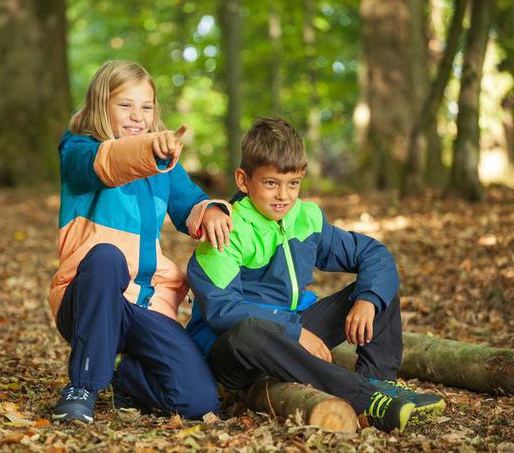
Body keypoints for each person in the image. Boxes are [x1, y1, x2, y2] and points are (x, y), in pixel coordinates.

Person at [186, 117, 445, 432]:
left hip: (292, 328)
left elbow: (374, 254)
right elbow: (222, 310)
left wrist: (366, 301)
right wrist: (293, 332)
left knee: (378, 288)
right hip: (236, 353)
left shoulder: (305, 218)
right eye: (271, 183)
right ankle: (366, 399)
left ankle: (378, 384)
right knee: (250, 332)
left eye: (292, 183)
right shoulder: (226, 229)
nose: (284, 195)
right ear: (244, 180)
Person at [47, 60, 233, 424]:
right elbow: (108, 164)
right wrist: (149, 149)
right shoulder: (79, 149)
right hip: (88, 297)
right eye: (125, 105)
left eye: (146, 107)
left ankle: (127, 380)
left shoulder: (163, 164)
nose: (137, 116)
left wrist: (211, 211)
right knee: (106, 257)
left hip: (145, 303)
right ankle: (82, 387)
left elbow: (190, 203)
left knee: (199, 401)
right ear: (102, 106)